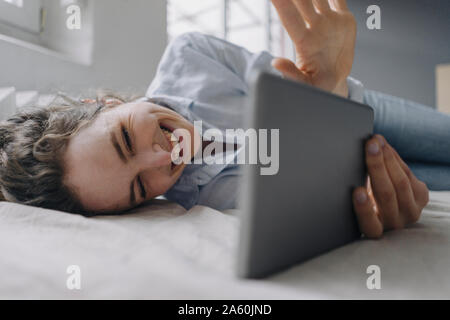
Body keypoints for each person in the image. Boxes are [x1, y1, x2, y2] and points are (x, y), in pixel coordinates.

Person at [0, 0, 441, 239]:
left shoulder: (191, 55)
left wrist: (325, 89)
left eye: (125, 141)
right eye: (138, 189)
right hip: (360, 170)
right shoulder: (205, 205)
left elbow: (298, 84)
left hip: (363, 110)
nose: (158, 161)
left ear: (110, 103)